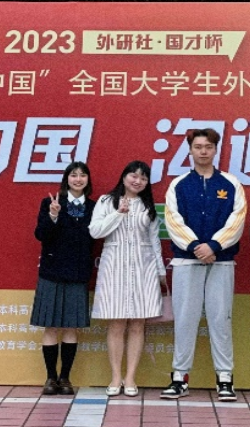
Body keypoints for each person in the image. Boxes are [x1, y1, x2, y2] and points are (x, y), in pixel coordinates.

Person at [161, 128, 247, 402]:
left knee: (220, 319)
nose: (203, 151)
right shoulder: (179, 185)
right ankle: (179, 378)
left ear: (215, 150)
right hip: (187, 261)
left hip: (221, 262)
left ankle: (225, 379)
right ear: (190, 150)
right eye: (198, 147)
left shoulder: (231, 183)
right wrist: (196, 246)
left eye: (208, 147)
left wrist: (214, 246)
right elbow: (173, 220)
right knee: (185, 320)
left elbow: (237, 219)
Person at [89, 161, 167, 398]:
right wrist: (118, 214)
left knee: (137, 324)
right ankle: (115, 377)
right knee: (116, 323)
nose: (137, 181)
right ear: (124, 177)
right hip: (114, 265)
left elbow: (154, 241)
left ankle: (130, 377)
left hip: (144, 267)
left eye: (143, 178)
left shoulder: (147, 205)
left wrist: (160, 272)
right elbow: (95, 231)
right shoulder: (106, 201)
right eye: (134, 176)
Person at [30, 161, 95, 396]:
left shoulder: (94, 206)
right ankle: (50, 378)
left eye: (82, 175)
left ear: (88, 180)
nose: (78, 179)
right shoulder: (50, 202)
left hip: (78, 272)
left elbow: (95, 236)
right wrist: (53, 215)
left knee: (71, 327)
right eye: (73, 175)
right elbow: (40, 234)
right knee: (50, 326)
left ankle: (65, 378)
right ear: (67, 178)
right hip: (52, 271)